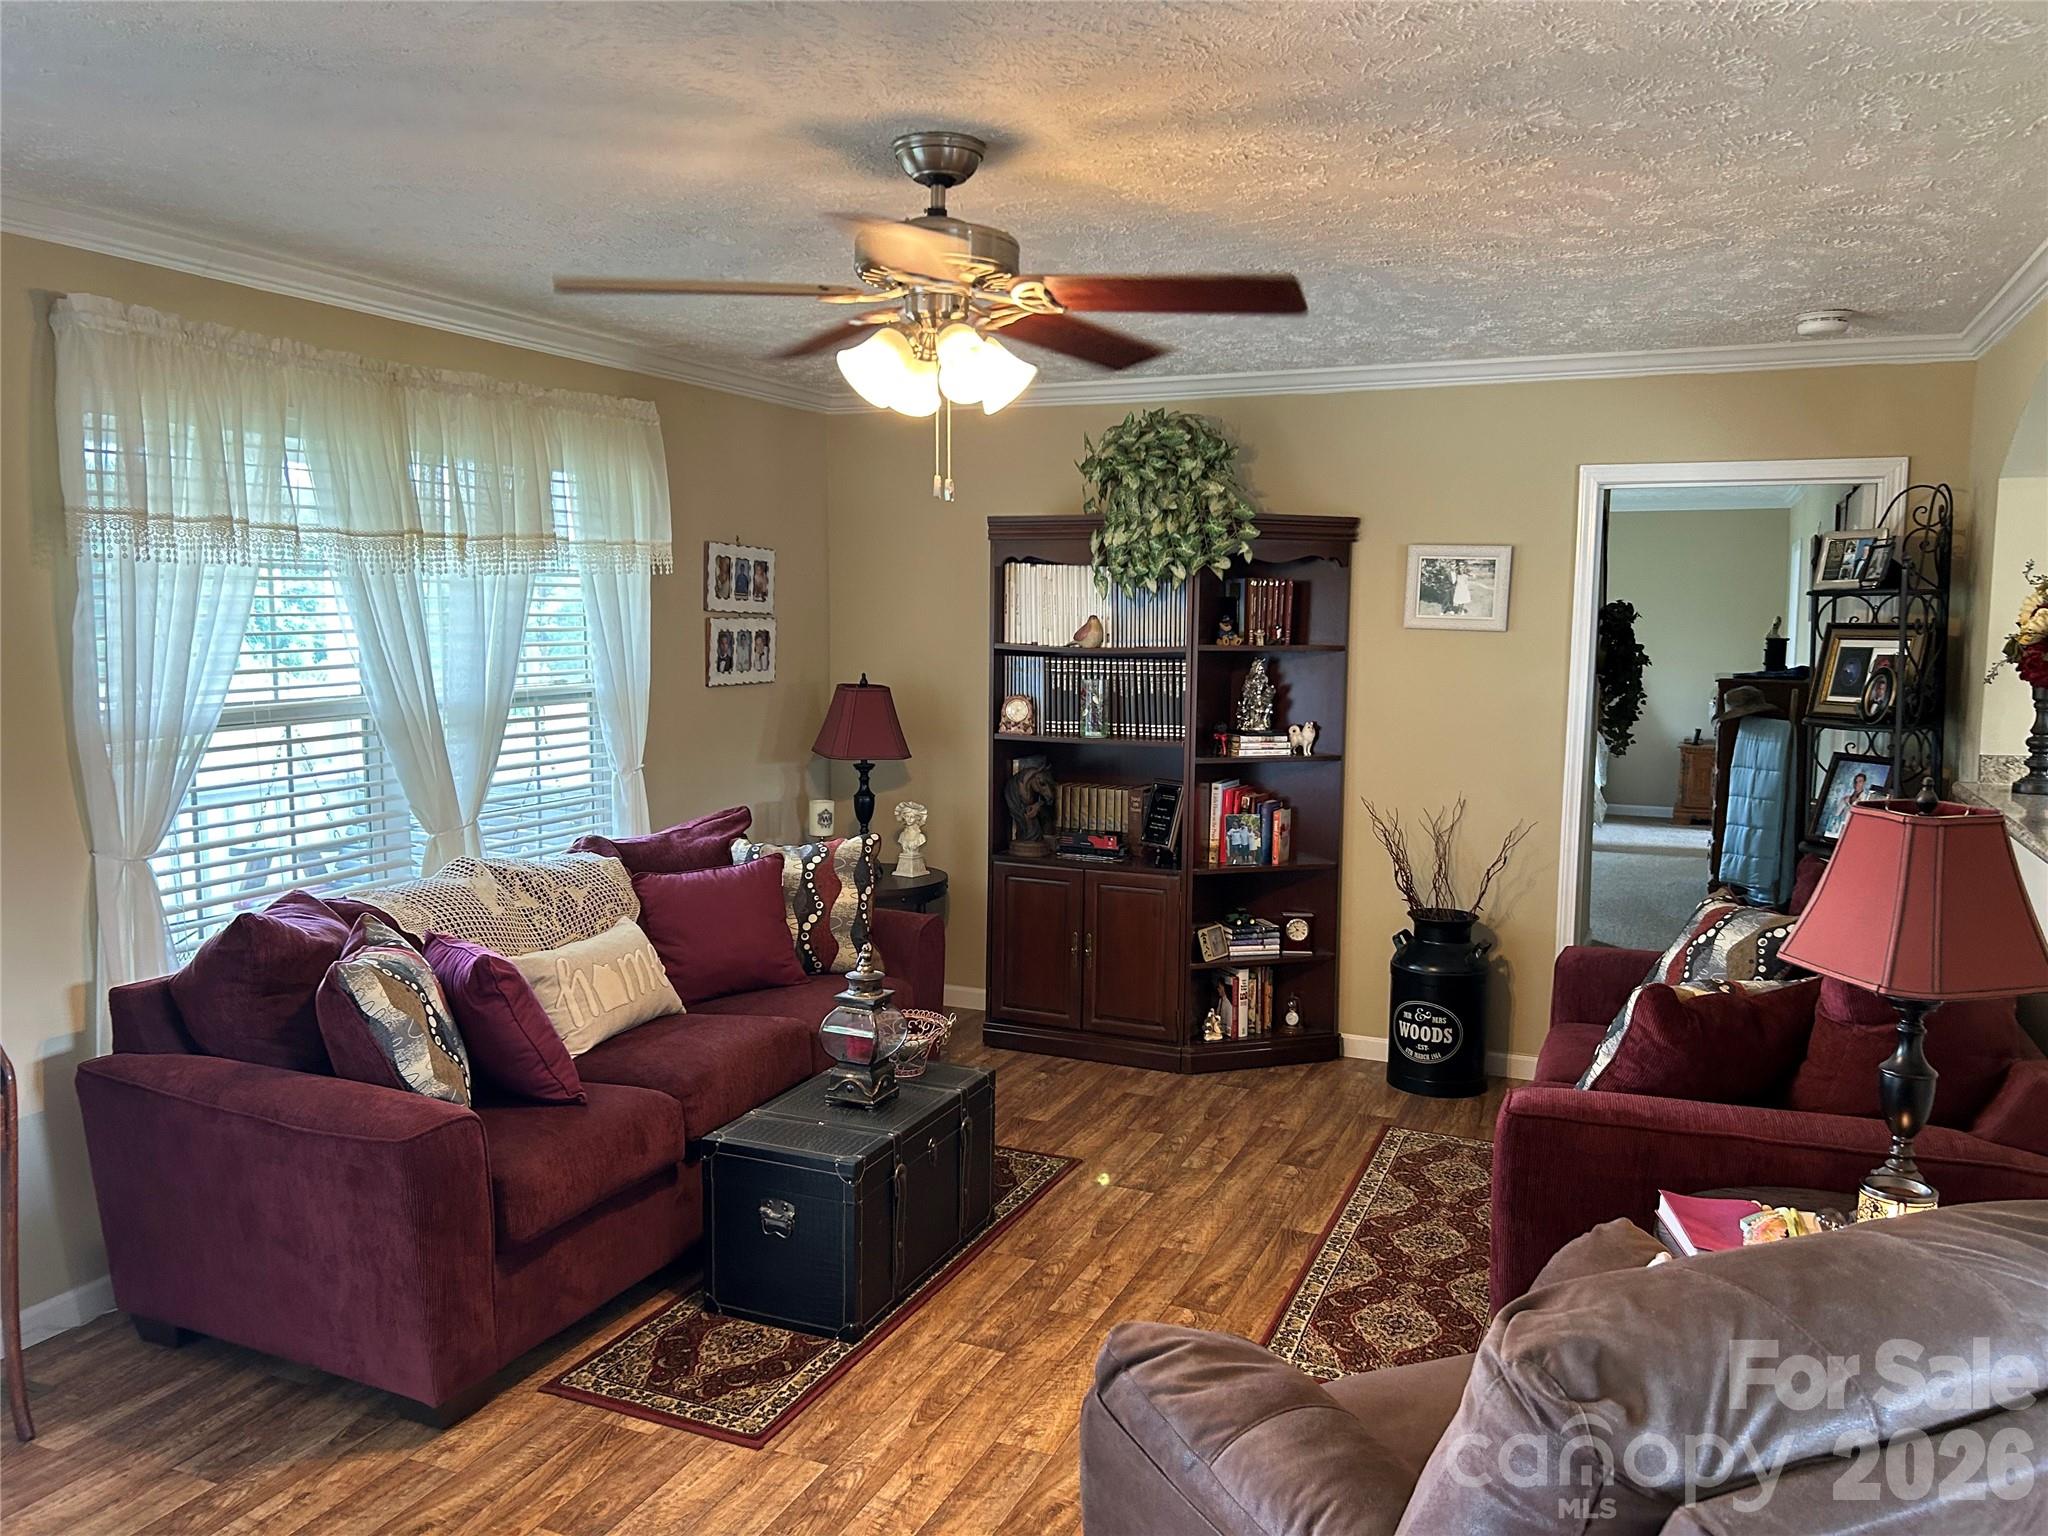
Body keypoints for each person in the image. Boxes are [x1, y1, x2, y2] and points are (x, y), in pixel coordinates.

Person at [1819, 769, 1871, 840]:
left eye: (1860, 781)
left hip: (1855, 831)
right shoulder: (1845, 798)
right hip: (1841, 829)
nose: (1857, 784)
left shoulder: (1866, 799)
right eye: (1855, 782)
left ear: (1864, 783)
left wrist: (1848, 804)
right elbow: (1836, 815)